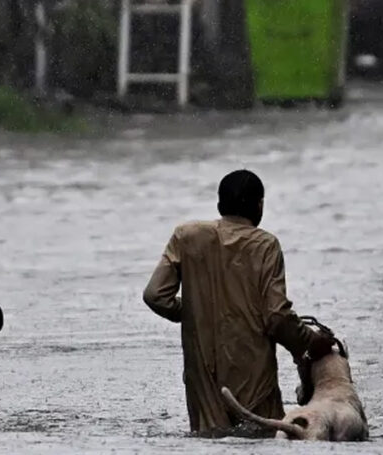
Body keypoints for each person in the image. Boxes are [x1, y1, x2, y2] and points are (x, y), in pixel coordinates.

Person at [142, 169, 335, 435]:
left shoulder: (186, 236)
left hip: (203, 384)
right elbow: (277, 318)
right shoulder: (265, 245)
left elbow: (155, 295)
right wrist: (312, 342)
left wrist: (199, 311)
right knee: (263, 439)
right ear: (260, 206)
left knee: (210, 442)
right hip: (255, 383)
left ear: (220, 204)